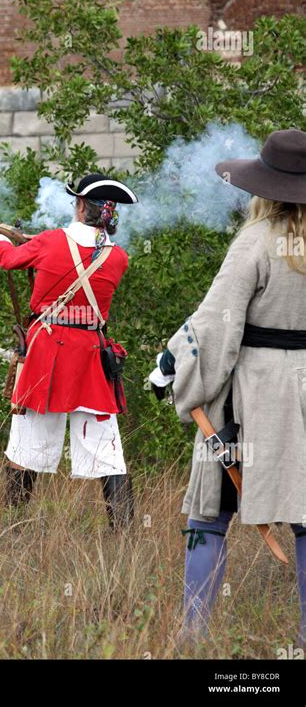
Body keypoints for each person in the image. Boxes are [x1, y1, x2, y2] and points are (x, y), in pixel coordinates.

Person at [150, 129, 306, 643]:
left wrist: (173, 364)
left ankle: (193, 636)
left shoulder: (256, 241)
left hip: (251, 396)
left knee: (210, 509)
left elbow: (216, 324)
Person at [0, 173, 138, 529]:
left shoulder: (51, 242)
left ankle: (12, 525)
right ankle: (124, 534)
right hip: (92, 356)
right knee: (107, 451)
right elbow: (79, 256)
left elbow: (8, 259)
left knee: (26, 445)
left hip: (47, 352)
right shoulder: (118, 258)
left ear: (81, 205)